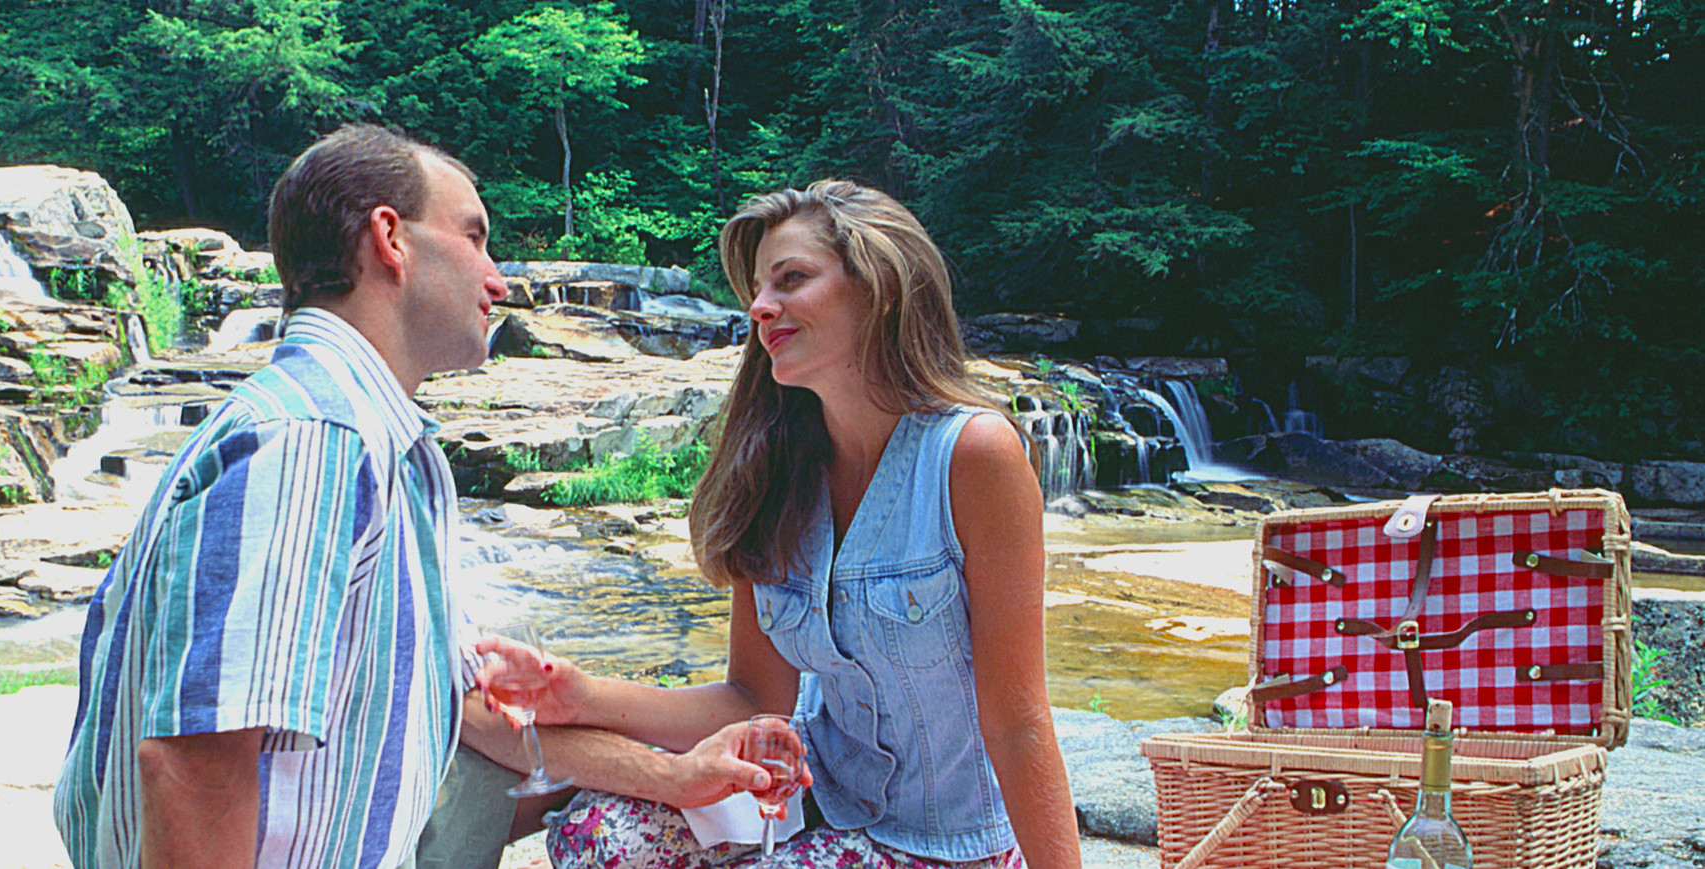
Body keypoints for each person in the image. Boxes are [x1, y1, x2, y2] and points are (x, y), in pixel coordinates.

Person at [464, 179, 1081, 869]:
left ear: (879, 288)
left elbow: (1017, 718)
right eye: (758, 289)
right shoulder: (776, 467)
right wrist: (582, 696)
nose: (760, 308)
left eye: (791, 280)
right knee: (596, 835)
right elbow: (753, 695)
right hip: (813, 796)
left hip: (949, 841)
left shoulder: (973, 455)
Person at [53, 123, 509, 869]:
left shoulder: (366, 438)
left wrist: (672, 769)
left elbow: (455, 707)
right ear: (389, 237)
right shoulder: (312, 440)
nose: (497, 278)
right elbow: (194, 763)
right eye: (475, 237)